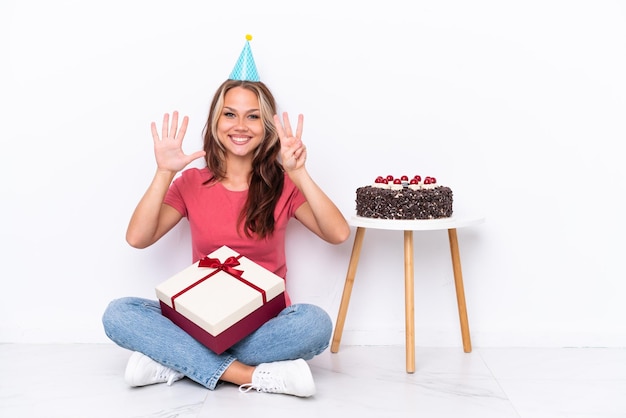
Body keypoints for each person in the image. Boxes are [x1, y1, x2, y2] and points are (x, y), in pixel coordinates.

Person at [101, 36, 350, 398]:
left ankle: (173, 362)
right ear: (216, 122)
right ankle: (247, 373)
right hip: (197, 320)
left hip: (261, 323)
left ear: (266, 126)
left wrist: (299, 173)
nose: (240, 125)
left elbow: (338, 233)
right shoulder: (191, 182)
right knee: (119, 313)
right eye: (230, 114)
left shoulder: (282, 185)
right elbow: (138, 238)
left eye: (253, 117)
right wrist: (163, 172)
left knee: (313, 325)